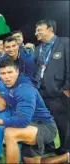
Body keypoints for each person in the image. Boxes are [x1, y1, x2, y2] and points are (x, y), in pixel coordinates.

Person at [0, 59, 69, 163]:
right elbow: (2, 106)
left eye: (10, 72)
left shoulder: (25, 89)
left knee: (10, 133)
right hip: (29, 126)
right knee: (31, 162)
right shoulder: (6, 85)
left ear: (17, 71)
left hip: (44, 127)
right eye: (3, 73)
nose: (7, 77)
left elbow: (21, 121)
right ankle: (66, 157)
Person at [34, 19, 70, 158]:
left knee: (63, 122)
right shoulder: (38, 49)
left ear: (50, 29)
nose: (36, 33)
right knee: (45, 121)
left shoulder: (64, 43)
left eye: (39, 29)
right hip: (41, 91)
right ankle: (49, 146)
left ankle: (66, 149)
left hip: (59, 91)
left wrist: (67, 87)